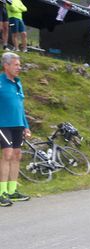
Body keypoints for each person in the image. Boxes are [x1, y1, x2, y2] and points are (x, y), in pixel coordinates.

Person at [0, 52, 31, 207]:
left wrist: (26, 126)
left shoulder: (18, 82)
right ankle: (1, 192)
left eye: (19, 65)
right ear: (6, 66)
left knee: (17, 155)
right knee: (7, 153)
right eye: (16, 65)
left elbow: (20, 107)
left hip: (18, 124)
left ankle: (12, 190)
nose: (19, 67)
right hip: (2, 124)